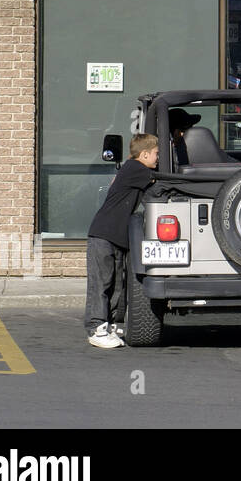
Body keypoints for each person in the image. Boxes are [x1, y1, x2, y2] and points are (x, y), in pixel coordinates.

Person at [85, 133, 158, 348]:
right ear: (144, 154)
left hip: (116, 237)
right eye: (155, 154)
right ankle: (96, 329)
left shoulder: (136, 169)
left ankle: (109, 325)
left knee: (117, 284)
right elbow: (162, 182)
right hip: (103, 234)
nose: (157, 158)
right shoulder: (135, 168)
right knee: (101, 283)